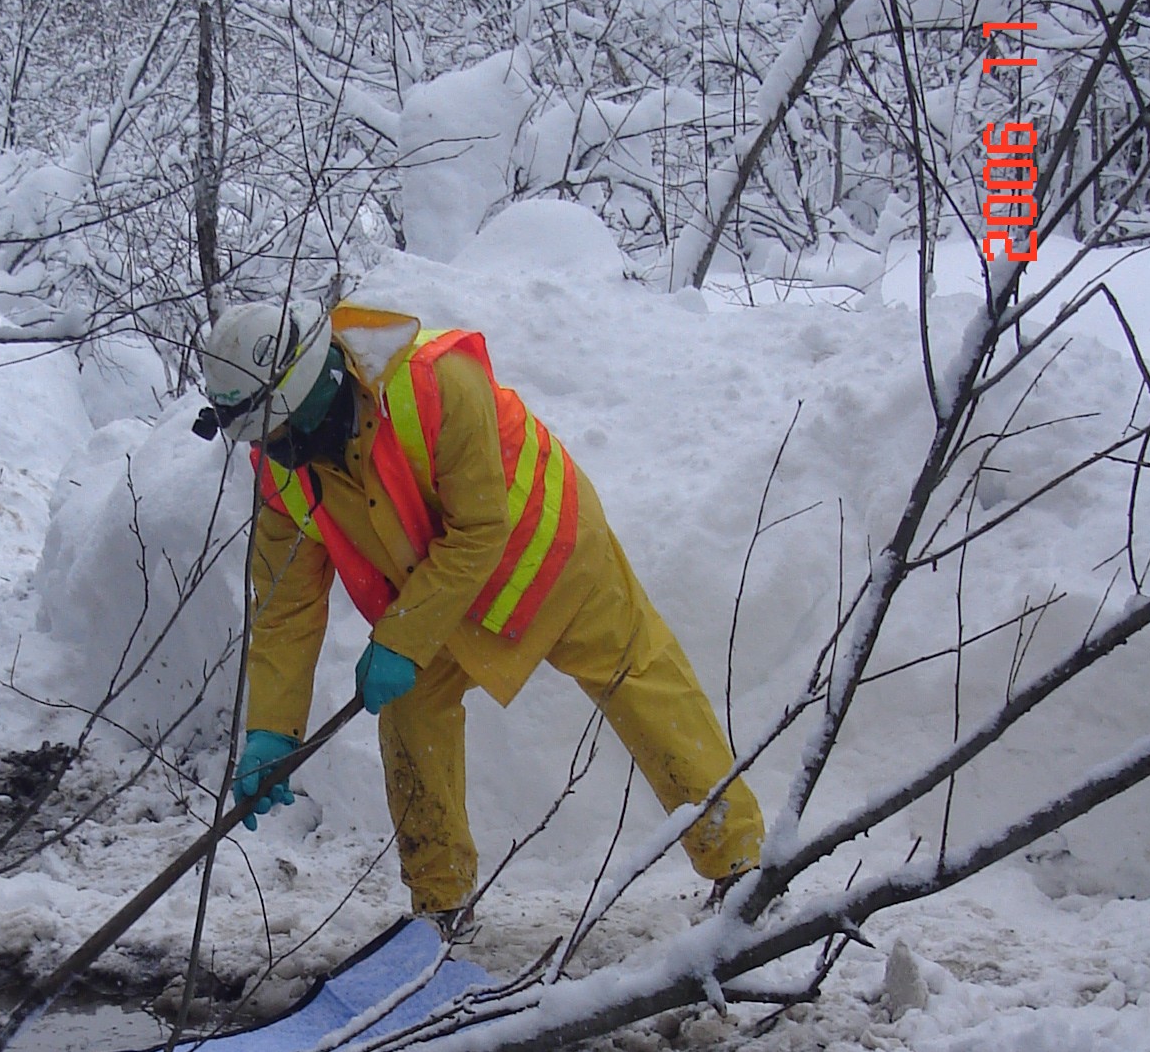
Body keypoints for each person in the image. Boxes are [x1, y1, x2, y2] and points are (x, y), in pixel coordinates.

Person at [199, 298, 763, 923]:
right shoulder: (284, 471)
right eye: (265, 441)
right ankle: (440, 905)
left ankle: (740, 865)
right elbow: (285, 606)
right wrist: (272, 730)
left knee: (643, 684)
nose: (277, 451)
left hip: (547, 552)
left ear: (313, 393)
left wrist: (404, 638)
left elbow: (479, 529)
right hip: (438, 592)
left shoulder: (434, 381)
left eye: (280, 435)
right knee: (412, 718)